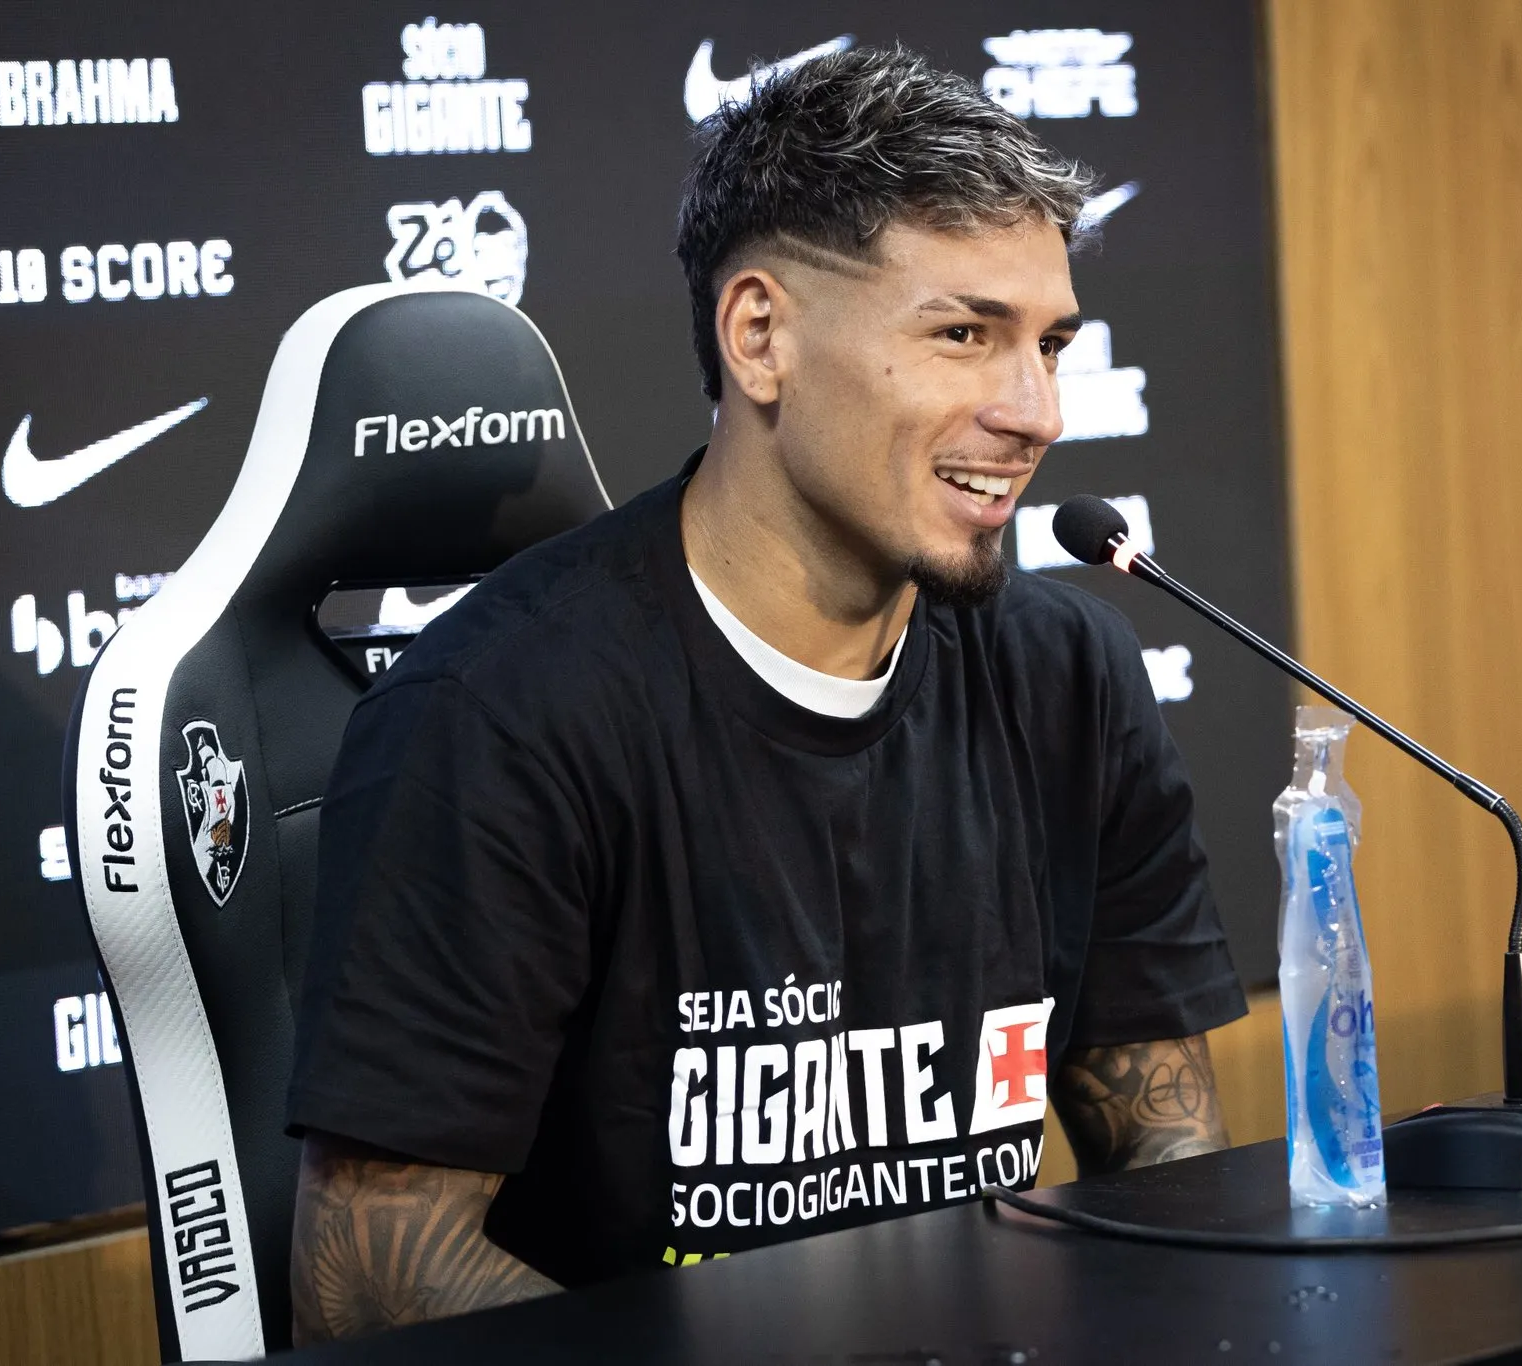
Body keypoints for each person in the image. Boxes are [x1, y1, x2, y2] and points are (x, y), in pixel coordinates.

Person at [285, 46, 1247, 1344]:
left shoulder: (1069, 678)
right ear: (761, 337)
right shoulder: (499, 710)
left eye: (1051, 343)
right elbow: (368, 1276)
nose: (1035, 410)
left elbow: (1167, 1172)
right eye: (964, 333)